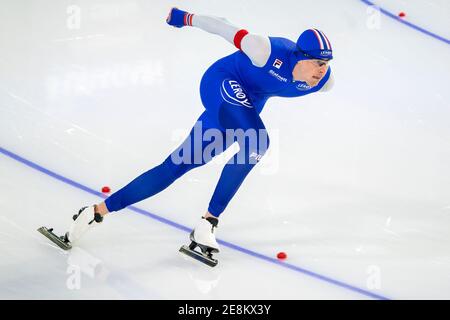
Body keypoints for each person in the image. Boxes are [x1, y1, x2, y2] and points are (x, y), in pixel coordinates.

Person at [63, 7, 334, 264]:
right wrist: (184, 18)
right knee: (256, 142)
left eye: (326, 64)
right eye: (318, 63)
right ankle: (209, 222)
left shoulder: (323, 82)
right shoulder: (265, 50)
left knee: (177, 165)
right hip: (222, 82)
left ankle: (96, 212)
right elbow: (222, 26)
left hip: (245, 104)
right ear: (299, 56)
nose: (322, 71)